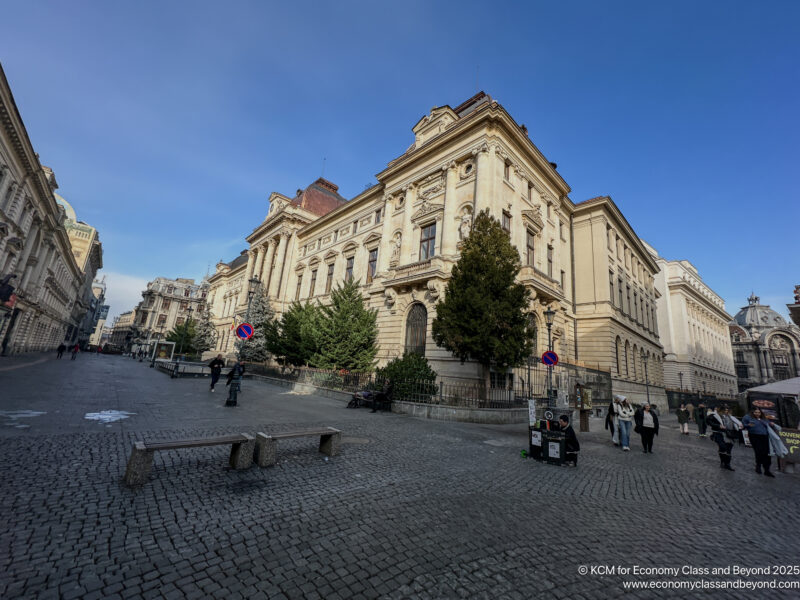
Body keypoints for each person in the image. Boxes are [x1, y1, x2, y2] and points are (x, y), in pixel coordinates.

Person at [742, 407, 776, 477]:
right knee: (758, 451)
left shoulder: (764, 418)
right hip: (754, 436)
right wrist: (748, 425)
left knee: (767, 453)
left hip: (765, 437)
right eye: (756, 412)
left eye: (759, 412)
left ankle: (767, 470)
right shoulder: (747, 417)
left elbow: (769, 424)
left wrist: (771, 424)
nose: (757, 414)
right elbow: (743, 425)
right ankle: (758, 466)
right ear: (753, 412)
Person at [707, 405, 734, 471]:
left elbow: (735, 424)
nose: (726, 412)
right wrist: (718, 426)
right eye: (724, 410)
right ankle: (722, 462)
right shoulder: (714, 415)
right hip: (718, 433)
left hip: (728, 435)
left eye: (727, 410)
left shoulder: (730, 417)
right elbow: (708, 421)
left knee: (729, 449)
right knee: (723, 447)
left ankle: (727, 464)